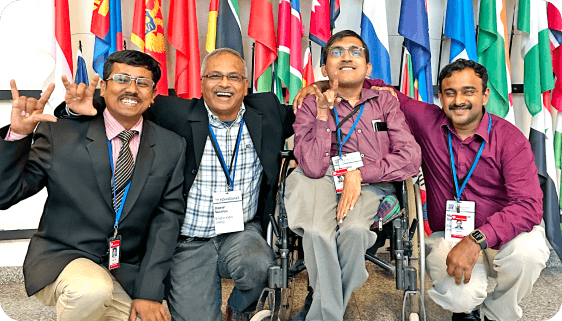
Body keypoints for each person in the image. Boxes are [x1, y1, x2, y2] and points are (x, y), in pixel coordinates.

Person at [296, 59, 550, 321]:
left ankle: (496, 314)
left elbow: (529, 205)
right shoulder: (427, 119)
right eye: (450, 93)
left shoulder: (509, 138)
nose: (458, 100)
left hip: (505, 233)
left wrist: (477, 240)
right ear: (440, 96)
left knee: (528, 254)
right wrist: (319, 86)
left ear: (485, 94)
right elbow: (373, 86)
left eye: (468, 91)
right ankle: (466, 310)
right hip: (450, 235)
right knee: (461, 297)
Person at [56, 47, 295, 321]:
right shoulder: (175, 113)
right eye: (215, 76)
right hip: (187, 240)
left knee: (260, 265)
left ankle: (240, 309)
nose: (225, 84)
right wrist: (81, 109)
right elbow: (130, 100)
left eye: (234, 77)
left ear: (245, 84)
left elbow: (310, 115)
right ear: (202, 82)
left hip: (240, 231)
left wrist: (320, 88)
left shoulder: (267, 110)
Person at [0, 50, 187, 321]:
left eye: (142, 83)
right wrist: (18, 135)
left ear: (154, 94)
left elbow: (166, 221)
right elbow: (6, 194)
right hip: (64, 257)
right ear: (104, 86)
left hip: (122, 268)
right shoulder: (61, 133)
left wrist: (148, 292)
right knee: (91, 291)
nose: (132, 89)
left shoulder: (171, 146)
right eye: (122, 79)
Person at [283, 30, 422, 321]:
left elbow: (410, 159)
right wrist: (323, 114)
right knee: (318, 232)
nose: (346, 56)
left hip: (370, 181)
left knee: (356, 232)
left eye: (355, 51)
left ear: (368, 69)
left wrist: (359, 172)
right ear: (324, 69)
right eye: (336, 52)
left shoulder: (385, 102)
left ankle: (321, 302)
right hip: (316, 179)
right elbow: (311, 166)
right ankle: (329, 314)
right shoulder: (309, 102)